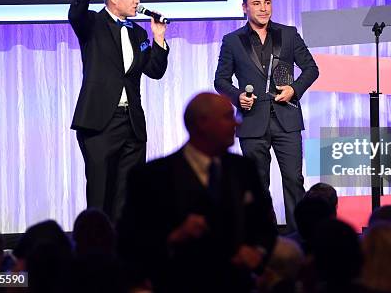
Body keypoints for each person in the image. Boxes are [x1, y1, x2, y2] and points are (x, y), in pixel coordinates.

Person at [117, 93, 277, 292]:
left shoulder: (244, 169)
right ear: (202, 123)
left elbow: (265, 225)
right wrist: (172, 238)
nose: (237, 124)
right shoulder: (151, 176)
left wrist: (257, 252)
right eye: (228, 117)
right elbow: (129, 240)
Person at [68, 0, 170, 223]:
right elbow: (75, 14)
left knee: (127, 195)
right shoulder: (93, 23)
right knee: (100, 193)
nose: (138, 0)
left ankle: (124, 252)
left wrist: (158, 38)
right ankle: (95, 250)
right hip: (100, 122)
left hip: (132, 124)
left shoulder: (138, 32)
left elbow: (155, 71)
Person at [214, 0, 319, 231]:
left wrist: (294, 89)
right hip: (251, 121)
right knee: (257, 185)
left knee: (294, 180)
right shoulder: (232, 41)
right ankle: (263, 237)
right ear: (244, 7)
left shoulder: (289, 34)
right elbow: (220, 80)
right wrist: (238, 95)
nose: (263, 8)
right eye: (257, 3)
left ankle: (299, 237)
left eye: (268, 2)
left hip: (287, 119)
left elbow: (311, 69)